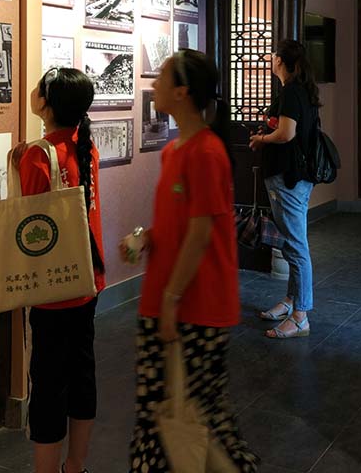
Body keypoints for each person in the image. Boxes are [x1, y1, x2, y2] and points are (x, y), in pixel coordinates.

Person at [123, 49, 259, 472]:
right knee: (160, 413)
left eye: (162, 75)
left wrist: (171, 299)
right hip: (167, 301)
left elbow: (201, 235)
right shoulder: (174, 151)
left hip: (195, 306)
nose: (154, 83)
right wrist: (145, 238)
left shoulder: (207, 152)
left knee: (202, 416)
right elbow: (178, 225)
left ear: (182, 92)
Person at [11, 67, 106, 473]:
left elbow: (30, 226)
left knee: (48, 385)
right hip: (87, 280)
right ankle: (76, 465)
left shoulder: (38, 155)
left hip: (52, 289)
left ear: (47, 105)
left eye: (39, 88)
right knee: (82, 375)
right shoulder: (86, 147)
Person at [249, 39, 320, 339]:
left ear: (280, 61)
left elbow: (287, 134)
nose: (270, 58)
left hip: (289, 178)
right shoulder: (301, 90)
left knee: (295, 245)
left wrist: (261, 139)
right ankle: (291, 301)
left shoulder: (291, 91)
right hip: (295, 177)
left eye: (273, 55)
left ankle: (301, 315)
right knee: (293, 242)